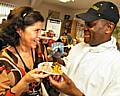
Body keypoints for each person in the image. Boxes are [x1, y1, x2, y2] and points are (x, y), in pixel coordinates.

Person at [49, 1, 120, 96]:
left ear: (108, 28)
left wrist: (74, 93)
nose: (85, 28)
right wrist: (57, 57)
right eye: (85, 23)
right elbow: (68, 65)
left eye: (91, 24)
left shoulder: (116, 64)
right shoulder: (79, 47)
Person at [0, 6, 50, 96]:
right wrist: (25, 81)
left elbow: (46, 72)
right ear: (19, 30)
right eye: (36, 30)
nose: (40, 35)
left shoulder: (40, 49)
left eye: (41, 30)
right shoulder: (3, 61)